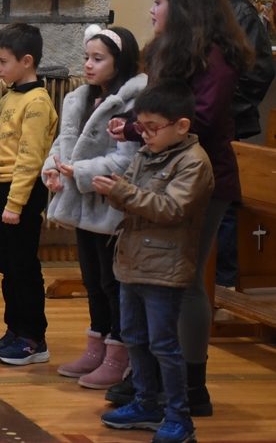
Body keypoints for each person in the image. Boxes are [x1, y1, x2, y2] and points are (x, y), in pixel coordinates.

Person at [106, 0, 253, 415]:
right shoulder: (171, 49)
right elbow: (162, 109)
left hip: (199, 178)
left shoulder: (217, 57)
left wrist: (139, 127)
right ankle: (148, 377)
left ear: (184, 7)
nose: (151, 10)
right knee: (150, 276)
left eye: (157, 2)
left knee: (184, 282)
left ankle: (191, 386)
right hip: (157, 171)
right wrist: (133, 125)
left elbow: (199, 120)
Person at [94, 79, 214, 443]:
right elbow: (129, 193)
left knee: (164, 344)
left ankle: (179, 418)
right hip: (132, 260)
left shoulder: (194, 163)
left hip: (165, 266)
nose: (143, 135)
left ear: (181, 126)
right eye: (141, 126)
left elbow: (172, 208)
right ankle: (146, 402)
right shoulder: (146, 154)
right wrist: (114, 190)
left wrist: (123, 191)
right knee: (133, 336)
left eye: (151, 127)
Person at [43, 25, 146, 387]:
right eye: (87, 57)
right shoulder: (80, 97)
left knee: (111, 280)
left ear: (120, 62)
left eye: (98, 59)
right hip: (80, 200)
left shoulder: (134, 102)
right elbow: (62, 142)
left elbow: (128, 161)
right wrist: (53, 171)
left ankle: (120, 353)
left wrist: (80, 171)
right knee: (91, 279)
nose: (88, 65)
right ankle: (97, 346)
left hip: (111, 204)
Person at [182, 0, 276, 291]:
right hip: (195, 121)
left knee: (218, 205)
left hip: (220, 123)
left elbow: (258, 71)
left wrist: (218, 105)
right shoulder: (198, 6)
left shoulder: (237, 10)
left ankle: (219, 283)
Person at [0, 22, 58, 365]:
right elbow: (7, 146)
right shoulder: (11, 95)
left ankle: (34, 338)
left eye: (3, 62)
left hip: (19, 193)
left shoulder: (37, 101)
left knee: (23, 267)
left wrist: (15, 203)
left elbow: (31, 157)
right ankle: (15, 329)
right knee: (7, 266)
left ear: (26, 61)